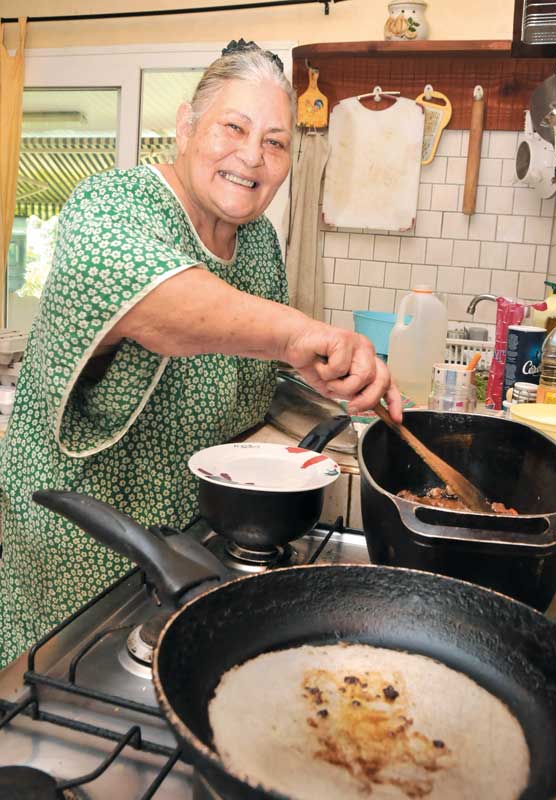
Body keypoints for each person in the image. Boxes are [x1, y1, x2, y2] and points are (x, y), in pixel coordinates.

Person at [0, 40, 401, 669]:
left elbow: (254, 374)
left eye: (275, 142)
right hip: (78, 544)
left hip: (189, 541)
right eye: (233, 128)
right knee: (55, 693)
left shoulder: (258, 241)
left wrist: (324, 380)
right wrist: (299, 336)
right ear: (186, 127)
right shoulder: (110, 203)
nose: (252, 156)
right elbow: (161, 306)